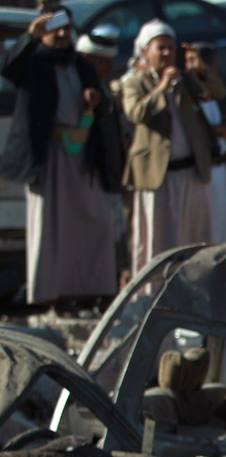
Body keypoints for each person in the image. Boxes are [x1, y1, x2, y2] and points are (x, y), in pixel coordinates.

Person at [0, 9, 122, 305]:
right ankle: (47, 294)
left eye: (66, 29)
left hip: (80, 156)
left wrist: (97, 99)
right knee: (49, 227)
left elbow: (105, 103)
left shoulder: (82, 65)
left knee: (92, 223)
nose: (62, 35)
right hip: (47, 158)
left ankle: (86, 291)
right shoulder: (34, 61)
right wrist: (31, 35)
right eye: (55, 29)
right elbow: (9, 68)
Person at [121, 20, 214, 275]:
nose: (166, 54)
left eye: (170, 48)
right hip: (156, 176)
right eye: (160, 48)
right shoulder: (134, 82)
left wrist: (199, 71)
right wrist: (162, 88)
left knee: (193, 237)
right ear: (145, 52)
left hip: (190, 172)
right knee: (155, 240)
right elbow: (136, 113)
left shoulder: (185, 80)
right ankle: (152, 294)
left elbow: (213, 94)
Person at [183, 42, 226, 243]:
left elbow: (220, 95)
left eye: (199, 60)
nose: (195, 66)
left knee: (223, 227)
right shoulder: (185, 88)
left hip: (220, 165)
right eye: (189, 60)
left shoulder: (213, 85)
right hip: (201, 169)